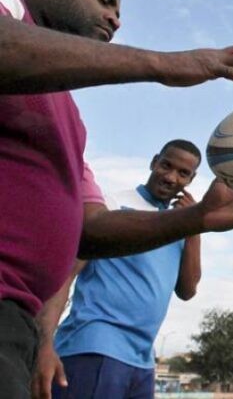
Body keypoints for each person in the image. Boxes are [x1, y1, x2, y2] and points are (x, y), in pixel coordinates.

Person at [0, 0, 233, 399]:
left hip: (20, 319)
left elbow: (87, 231)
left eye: (119, 10)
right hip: (89, 346)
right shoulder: (9, 7)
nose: (115, 19)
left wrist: (194, 223)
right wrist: (163, 63)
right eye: (103, 0)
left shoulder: (68, 120)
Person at [29, 139, 203, 398]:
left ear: (191, 179)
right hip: (95, 345)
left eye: (182, 173)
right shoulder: (111, 206)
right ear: (154, 162)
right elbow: (66, 273)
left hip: (143, 358)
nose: (170, 177)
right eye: (166, 165)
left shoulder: (178, 225)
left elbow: (187, 290)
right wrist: (44, 344)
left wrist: (193, 227)